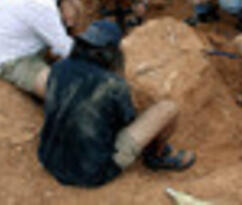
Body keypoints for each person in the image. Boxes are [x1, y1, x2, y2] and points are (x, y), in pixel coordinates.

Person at [38, 20, 196, 187]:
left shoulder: (58, 67)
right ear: (112, 51)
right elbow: (126, 121)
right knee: (168, 109)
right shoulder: (113, 84)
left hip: (50, 159)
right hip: (91, 172)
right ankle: (156, 156)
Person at [0, 0, 80, 99]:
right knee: (62, 90)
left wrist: (65, 1)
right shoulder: (42, 5)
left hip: (19, 37)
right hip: (14, 59)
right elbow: (65, 48)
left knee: (74, 6)